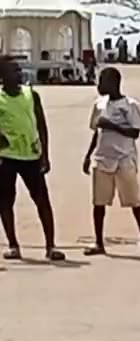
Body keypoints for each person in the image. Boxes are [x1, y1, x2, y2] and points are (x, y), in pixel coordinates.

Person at [82, 66, 140, 258]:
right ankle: (98, 242)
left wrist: (112, 125)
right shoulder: (99, 105)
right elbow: (96, 132)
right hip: (102, 158)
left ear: (114, 83)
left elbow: (135, 132)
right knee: (99, 203)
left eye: (102, 81)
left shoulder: (130, 105)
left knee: (134, 201)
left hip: (124, 159)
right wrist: (88, 156)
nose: (99, 85)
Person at [0, 55, 62, 262]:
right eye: (13, 70)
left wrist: (46, 154)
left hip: (31, 155)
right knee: (6, 202)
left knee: (42, 201)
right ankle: (13, 245)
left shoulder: (30, 94)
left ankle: (51, 246)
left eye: (19, 70)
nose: (19, 74)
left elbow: (41, 124)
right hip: (6, 157)